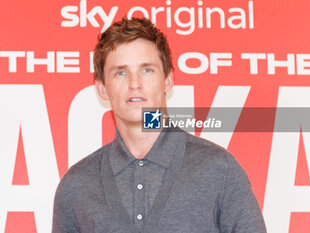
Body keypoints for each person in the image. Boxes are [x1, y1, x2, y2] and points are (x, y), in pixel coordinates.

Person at [52, 17, 266, 233]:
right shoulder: (75, 187)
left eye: (147, 70)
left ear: (168, 80)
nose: (134, 84)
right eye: (120, 73)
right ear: (102, 88)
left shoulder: (220, 170)